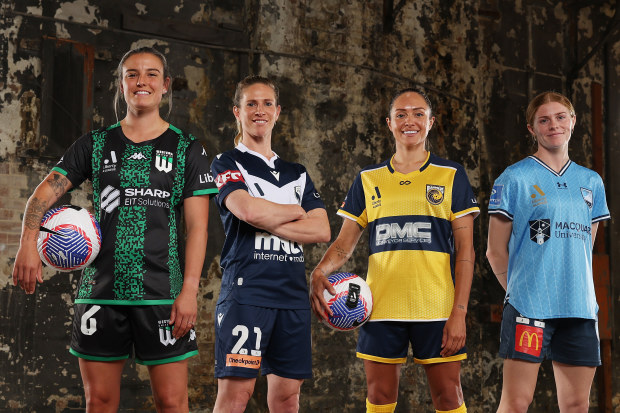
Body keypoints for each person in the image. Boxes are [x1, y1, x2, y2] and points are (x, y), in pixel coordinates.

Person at [12, 46, 218, 412]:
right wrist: (29, 243)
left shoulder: (187, 148)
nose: (142, 81)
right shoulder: (95, 144)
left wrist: (188, 292)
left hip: (162, 294)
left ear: (166, 85)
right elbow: (43, 194)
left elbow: (198, 228)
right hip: (101, 292)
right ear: (121, 85)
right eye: (132, 74)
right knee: (100, 401)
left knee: (172, 402)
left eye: (152, 74)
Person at [310, 88, 478, 413]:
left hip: (438, 308)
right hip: (381, 308)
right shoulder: (368, 178)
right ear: (389, 123)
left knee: (448, 396)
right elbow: (345, 244)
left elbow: (466, 252)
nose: (409, 121)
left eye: (417, 113)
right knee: (380, 396)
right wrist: (319, 271)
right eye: (401, 114)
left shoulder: (451, 174)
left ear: (430, 122)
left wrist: (459, 312)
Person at [210, 75, 331, 413]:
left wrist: (270, 217)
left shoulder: (298, 173)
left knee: (287, 398)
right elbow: (247, 210)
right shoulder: (226, 162)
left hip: (292, 296)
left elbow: (321, 229)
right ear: (237, 111)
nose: (259, 110)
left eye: (266, 104)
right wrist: (296, 212)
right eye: (251, 103)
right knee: (235, 397)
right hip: (247, 292)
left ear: (278, 112)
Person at [486, 91, 610, 413]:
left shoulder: (591, 181)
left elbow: (584, 247)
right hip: (530, 307)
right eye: (544, 120)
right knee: (516, 403)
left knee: (575, 405)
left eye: (560, 117)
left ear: (573, 122)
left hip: (579, 309)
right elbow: (494, 252)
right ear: (532, 129)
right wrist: (521, 294)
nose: (553, 125)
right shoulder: (514, 178)